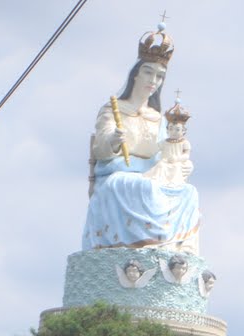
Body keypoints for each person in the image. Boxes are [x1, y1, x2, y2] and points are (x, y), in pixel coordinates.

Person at [82, 27, 201, 255]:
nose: (153, 80)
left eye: (159, 76)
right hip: (117, 174)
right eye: (148, 73)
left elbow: (166, 153)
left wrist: (180, 164)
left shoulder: (158, 119)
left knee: (188, 193)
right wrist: (115, 139)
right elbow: (100, 146)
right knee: (142, 186)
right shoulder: (114, 109)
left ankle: (176, 250)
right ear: (136, 74)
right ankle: (146, 246)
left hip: (154, 174)